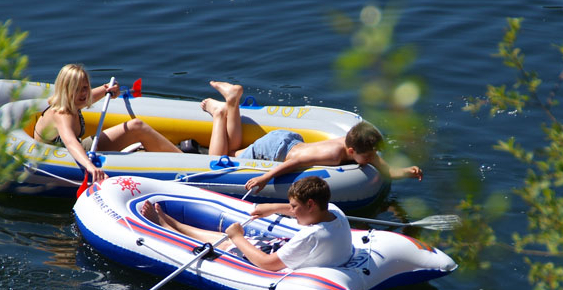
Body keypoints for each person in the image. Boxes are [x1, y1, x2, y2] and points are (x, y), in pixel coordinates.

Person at [199, 81, 423, 193]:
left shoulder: (361, 150)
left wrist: (407, 172)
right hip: (277, 150)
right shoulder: (334, 155)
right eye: (369, 154)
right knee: (223, 155)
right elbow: (294, 163)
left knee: (235, 149)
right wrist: (265, 177)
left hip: (290, 142)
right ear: (352, 152)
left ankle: (232, 100)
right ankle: (219, 113)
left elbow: (386, 170)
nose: (373, 156)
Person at [140, 176, 352, 272]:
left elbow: (269, 264)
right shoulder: (335, 212)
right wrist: (272, 208)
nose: (292, 211)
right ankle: (172, 222)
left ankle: (167, 227)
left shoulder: (311, 236)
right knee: (220, 236)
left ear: (311, 204)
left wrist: (236, 237)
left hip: (276, 259)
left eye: (294, 206)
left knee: (224, 243)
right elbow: (299, 210)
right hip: (286, 247)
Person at [34, 63, 180, 181]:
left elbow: (97, 93)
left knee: (136, 126)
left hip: (78, 148)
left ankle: (183, 159)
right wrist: (90, 167)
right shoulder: (61, 114)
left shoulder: (75, 100)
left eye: (85, 87)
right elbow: (71, 143)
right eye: (77, 89)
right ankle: (184, 163)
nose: (84, 93)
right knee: (136, 127)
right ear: (66, 90)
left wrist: (109, 89)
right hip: (61, 159)